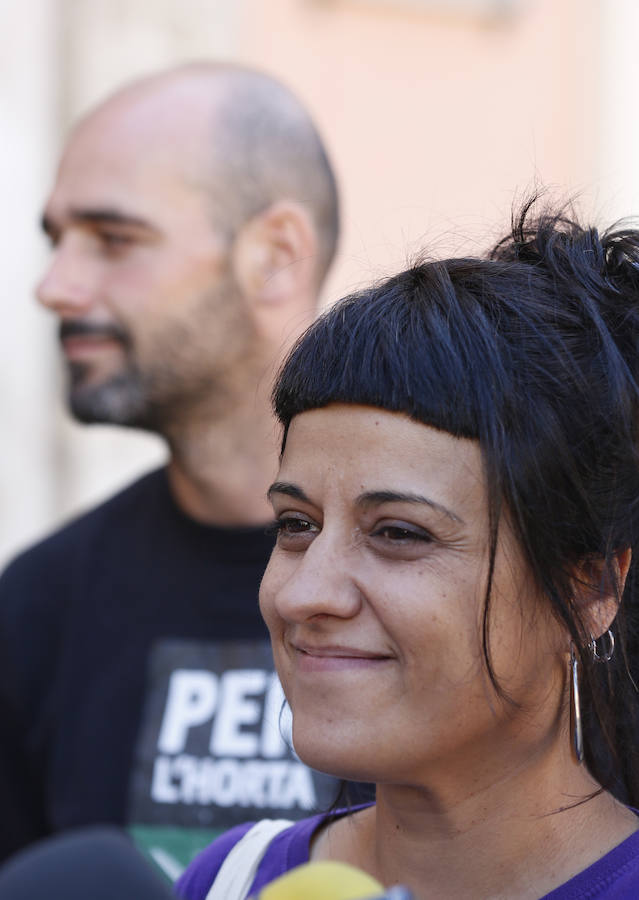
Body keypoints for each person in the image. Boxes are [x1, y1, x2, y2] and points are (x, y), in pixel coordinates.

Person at [177, 199, 639, 899]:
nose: (305, 594)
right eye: (296, 524)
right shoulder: (231, 879)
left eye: (398, 534)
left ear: (590, 586)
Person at [0, 63, 344, 873]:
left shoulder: (476, 576)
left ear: (275, 256)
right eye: (57, 240)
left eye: (114, 239)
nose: (55, 286)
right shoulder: (40, 604)